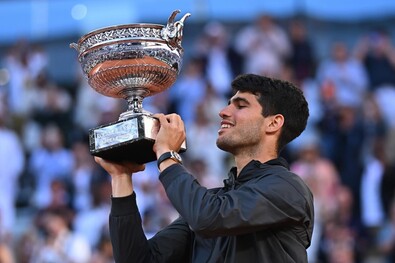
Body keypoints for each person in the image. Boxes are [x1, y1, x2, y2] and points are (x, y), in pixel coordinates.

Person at [94, 74, 314, 262]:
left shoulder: (288, 188)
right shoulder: (211, 202)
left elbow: (207, 217)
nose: (223, 111)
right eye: (229, 103)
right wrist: (121, 177)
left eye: (241, 105)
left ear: (273, 123)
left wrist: (167, 155)